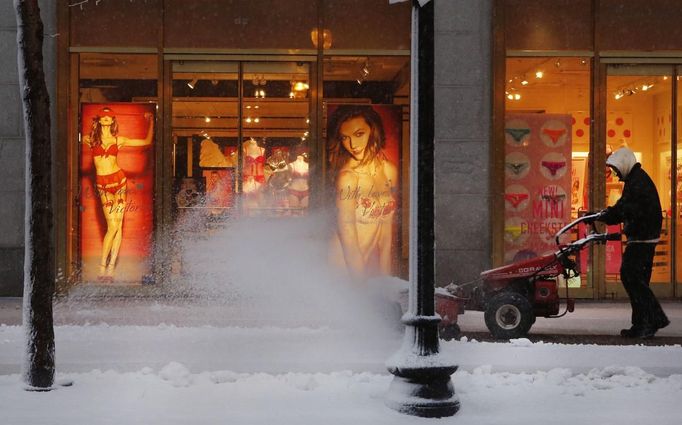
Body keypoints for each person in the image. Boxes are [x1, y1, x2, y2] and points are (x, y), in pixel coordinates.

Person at [592, 147, 670, 338]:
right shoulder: (636, 180)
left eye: (617, 170)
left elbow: (624, 209)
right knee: (637, 281)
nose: (617, 175)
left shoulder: (637, 183)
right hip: (643, 237)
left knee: (632, 279)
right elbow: (624, 208)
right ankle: (641, 324)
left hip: (642, 239)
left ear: (624, 164)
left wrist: (606, 215)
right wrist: (607, 214)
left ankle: (653, 319)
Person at [327, 105, 398, 281]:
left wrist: (385, 282)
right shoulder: (348, 178)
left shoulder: (389, 171)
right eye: (345, 138)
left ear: (372, 130)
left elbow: (385, 236)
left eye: (359, 134)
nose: (352, 145)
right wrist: (360, 286)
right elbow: (349, 237)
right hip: (340, 269)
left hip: (361, 268)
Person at [83, 107, 154, 280]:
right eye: (103, 116)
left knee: (118, 225)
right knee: (112, 226)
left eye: (109, 116)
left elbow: (146, 141)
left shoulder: (118, 140)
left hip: (119, 182)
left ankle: (109, 268)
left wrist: (151, 121)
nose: (106, 118)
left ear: (112, 120)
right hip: (103, 184)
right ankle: (103, 267)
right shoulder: (90, 139)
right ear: (99, 120)